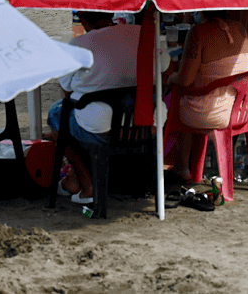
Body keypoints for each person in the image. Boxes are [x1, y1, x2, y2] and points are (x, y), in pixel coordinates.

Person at [45, 11, 164, 203]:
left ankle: (86, 183)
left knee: (57, 114)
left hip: (101, 126)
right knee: (72, 114)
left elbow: (66, 91)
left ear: (82, 18)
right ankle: (75, 178)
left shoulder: (79, 45)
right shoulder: (142, 33)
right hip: (147, 124)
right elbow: (163, 72)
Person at [166, 8, 248, 182]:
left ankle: (182, 167)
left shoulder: (198, 32)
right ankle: (190, 165)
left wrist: (170, 77)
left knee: (174, 99)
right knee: (187, 98)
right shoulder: (241, 29)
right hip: (240, 111)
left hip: (208, 113)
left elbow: (185, 80)